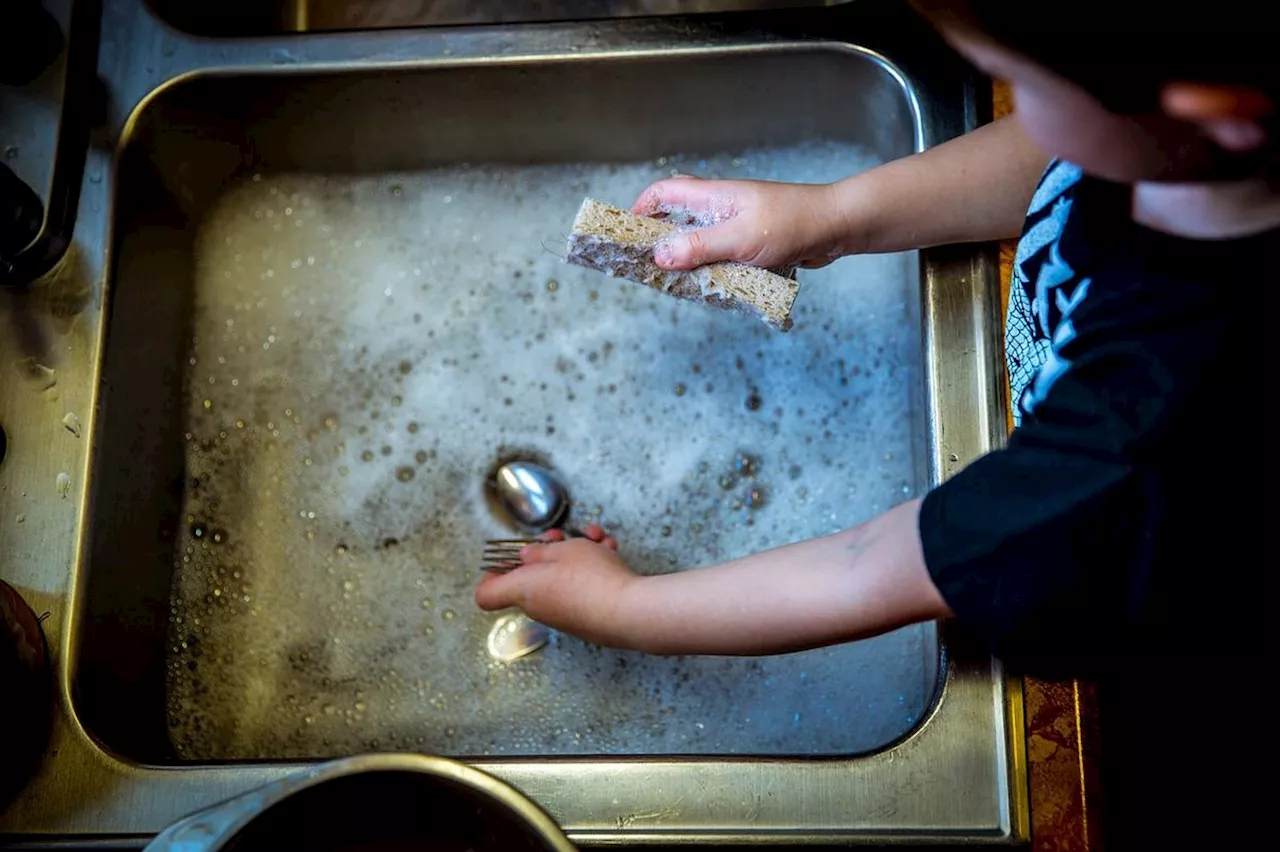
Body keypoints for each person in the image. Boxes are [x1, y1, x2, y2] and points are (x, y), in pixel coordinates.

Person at [478, 1, 1274, 844]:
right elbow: (1059, 159)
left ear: (1218, 111)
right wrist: (831, 218)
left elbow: (876, 568)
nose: (1014, 108)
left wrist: (629, 611)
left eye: (1028, 87)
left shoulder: (1153, 438)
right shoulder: (1185, 153)